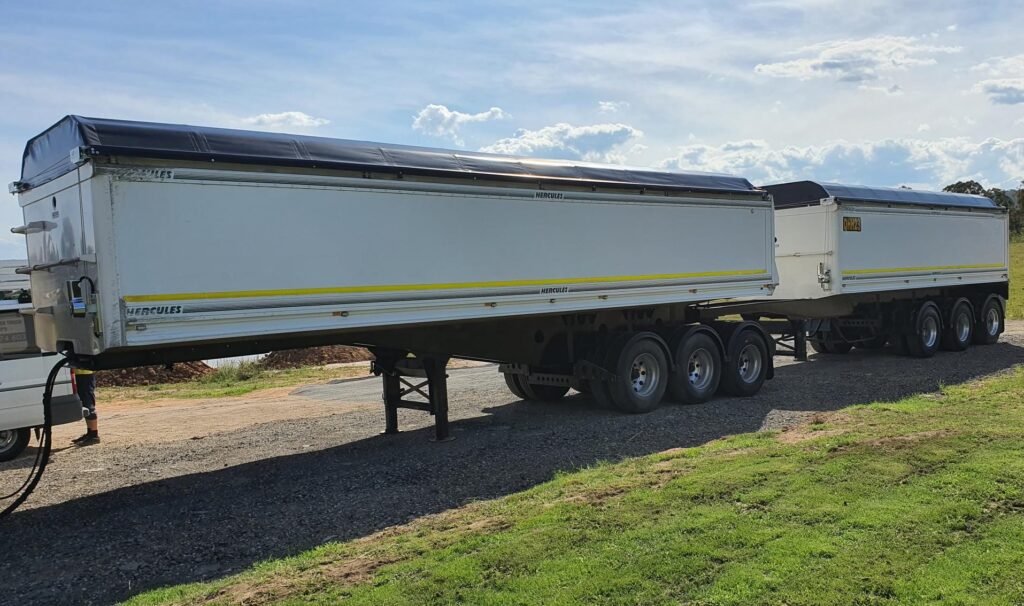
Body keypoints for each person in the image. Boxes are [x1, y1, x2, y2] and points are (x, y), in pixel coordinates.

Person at [72, 369, 100, 445]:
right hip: (79, 374)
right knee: (85, 405)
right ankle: (90, 433)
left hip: (85, 374)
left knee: (88, 404)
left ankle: (94, 435)